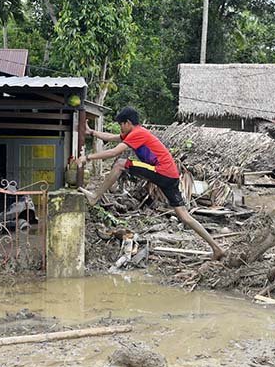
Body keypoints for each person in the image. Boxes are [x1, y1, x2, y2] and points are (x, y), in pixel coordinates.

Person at [77, 106, 225, 260]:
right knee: (184, 215)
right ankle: (217, 248)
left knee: (120, 163)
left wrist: (87, 158)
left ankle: (95, 196)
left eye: (121, 124)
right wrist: (92, 132)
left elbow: (114, 152)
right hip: (171, 176)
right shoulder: (136, 133)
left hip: (161, 171)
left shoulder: (137, 133)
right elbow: (112, 137)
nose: (120, 128)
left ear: (128, 123)